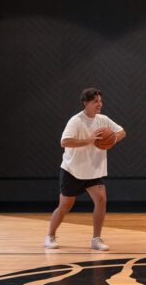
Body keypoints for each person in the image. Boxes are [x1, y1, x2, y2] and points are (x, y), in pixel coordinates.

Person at [45, 87, 126, 251]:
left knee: (101, 200)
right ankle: (50, 235)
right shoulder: (76, 121)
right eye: (95, 101)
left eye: (100, 101)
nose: (99, 104)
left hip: (93, 171)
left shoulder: (103, 120)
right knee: (65, 206)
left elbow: (122, 132)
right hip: (72, 170)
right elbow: (64, 142)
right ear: (85, 103)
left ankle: (96, 239)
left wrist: (113, 139)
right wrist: (88, 140)